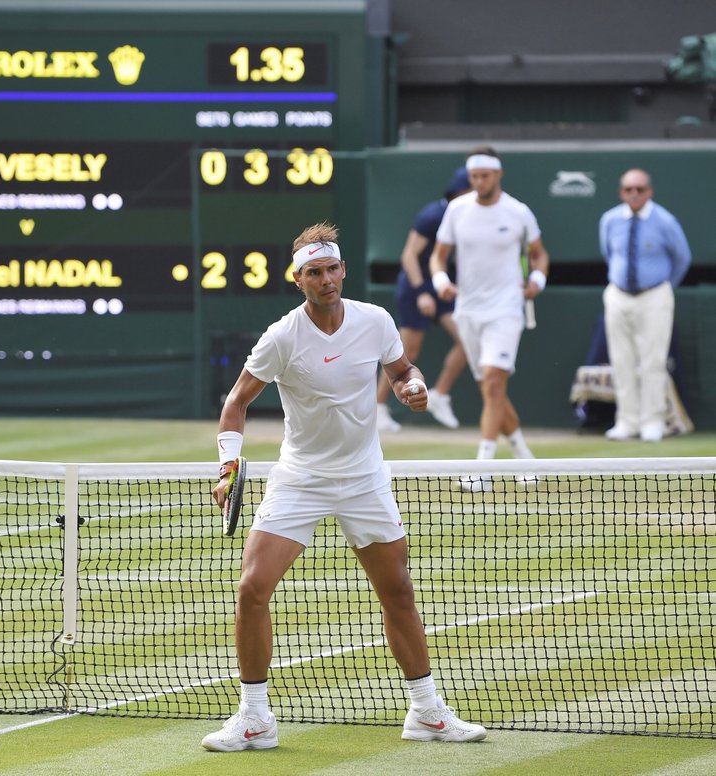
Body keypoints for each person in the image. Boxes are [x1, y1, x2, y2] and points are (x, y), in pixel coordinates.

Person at [202, 223, 486, 753]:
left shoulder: (375, 321)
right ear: (298, 279)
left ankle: (426, 711)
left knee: (397, 589)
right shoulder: (282, 336)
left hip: (364, 477)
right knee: (252, 588)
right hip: (300, 477)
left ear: (343, 271)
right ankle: (255, 718)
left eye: (333, 269)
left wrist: (412, 386)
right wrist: (229, 464)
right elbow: (236, 402)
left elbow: (401, 370)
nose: (326, 279)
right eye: (315, 272)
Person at [428, 147, 549, 492]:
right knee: (491, 390)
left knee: (494, 383)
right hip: (468, 310)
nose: (479, 182)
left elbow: (539, 255)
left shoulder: (518, 212)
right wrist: (440, 281)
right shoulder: (456, 210)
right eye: (474, 177)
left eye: (485, 176)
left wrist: (537, 280)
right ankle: (525, 456)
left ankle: (481, 469)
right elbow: (438, 258)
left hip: (506, 308)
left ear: (498, 174)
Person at [598, 169, 691, 443]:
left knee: (653, 361)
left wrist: (661, 286)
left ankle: (653, 421)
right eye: (628, 189)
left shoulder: (665, 221)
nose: (634, 194)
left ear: (649, 191)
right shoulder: (609, 220)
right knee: (621, 360)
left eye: (639, 189)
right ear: (621, 193)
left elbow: (682, 258)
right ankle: (626, 421)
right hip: (618, 295)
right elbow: (608, 253)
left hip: (655, 296)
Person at [376, 167, 471, 433]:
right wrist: (421, 292)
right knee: (405, 353)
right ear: (460, 191)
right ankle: (378, 407)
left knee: (468, 341)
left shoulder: (466, 216)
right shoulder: (433, 215)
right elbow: (409, 256)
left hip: (441, 288)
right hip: (416, 288)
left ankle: (440, 395)